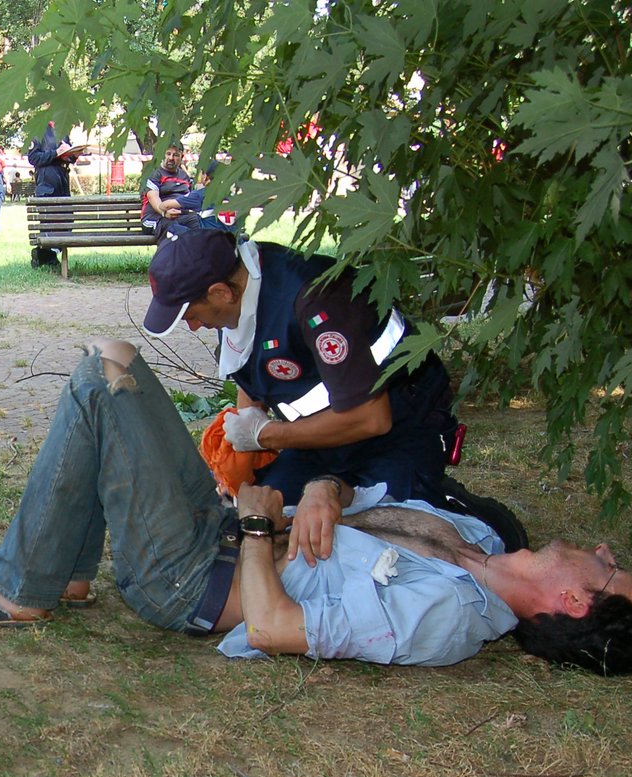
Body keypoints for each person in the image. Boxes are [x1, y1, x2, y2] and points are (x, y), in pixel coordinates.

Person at [0, 342, 632, 675]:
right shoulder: (478, 531)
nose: (605, 552)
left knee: (102, 377)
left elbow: (278, 628)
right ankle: (67, 575)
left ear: (578, 602)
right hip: (227, 527)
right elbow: (362, 492)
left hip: (192, 581)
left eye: (611, 570)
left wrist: (255, 528)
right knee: (115, 362)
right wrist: (324, 489)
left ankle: (22, 585)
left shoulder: (447, 623)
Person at [141, 227, 520, 548]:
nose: (193, 327)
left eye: (192, 315)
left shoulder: (314, 300)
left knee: (388, 531)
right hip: (319, 441)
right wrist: (247, 430)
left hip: (401, 427)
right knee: (265, 520)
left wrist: (267, 436)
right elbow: (250, 372)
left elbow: (372, 420)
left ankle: (466, 511)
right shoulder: (239, 293)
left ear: (221, 292)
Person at [26, 122, 85, 267]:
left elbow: (65, 154)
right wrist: (55, 153)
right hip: (47, 182)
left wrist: (73, 155)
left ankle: (44, 254)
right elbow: (33, 158)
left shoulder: (62, 129)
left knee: (66, 220)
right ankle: (48, 257)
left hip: (62, 180)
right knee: (50, 222)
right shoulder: (38, 129)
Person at [140, 142, 193, 237]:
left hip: (180, 217)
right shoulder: (154, 175)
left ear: (182, 157)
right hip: (156, 218)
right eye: (168, 154)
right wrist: (164, 212)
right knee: (175, 230)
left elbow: (192, 198)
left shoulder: (185, 177)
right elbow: (153, 198)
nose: (171, 158)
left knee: (201, 226)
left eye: (176, 155)